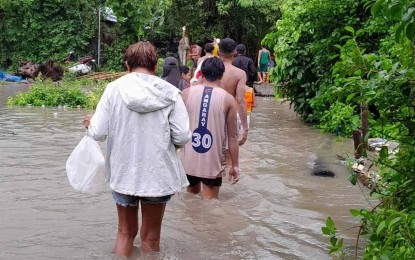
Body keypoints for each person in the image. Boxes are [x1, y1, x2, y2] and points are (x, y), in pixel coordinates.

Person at [83, 41, 191, 257]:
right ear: (154, 66)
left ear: (127, 65)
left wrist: (90, 122)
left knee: (125, 232)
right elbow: (182, 136)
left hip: (124, 173)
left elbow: (97, 132)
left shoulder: (114, 88)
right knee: (151, 237)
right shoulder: (170, 93)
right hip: (157, 176)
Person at [181, 57, 240, 200]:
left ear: (201, 73)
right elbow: (233, 137)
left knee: (191, 202)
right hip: (213, 162)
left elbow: (177, 128)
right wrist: (235, 165)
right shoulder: (228, 99)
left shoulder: (186, 94)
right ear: (222, 74)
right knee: (210, 205)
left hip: (189, 159)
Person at [218, 38, 248, 145]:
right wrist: (245, 128)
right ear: (235, 52)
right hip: (228, 115)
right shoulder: (239, 74)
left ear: (218, 52)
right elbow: (240, 100)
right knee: (229, 154)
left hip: (209, 114)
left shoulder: (209, 68)